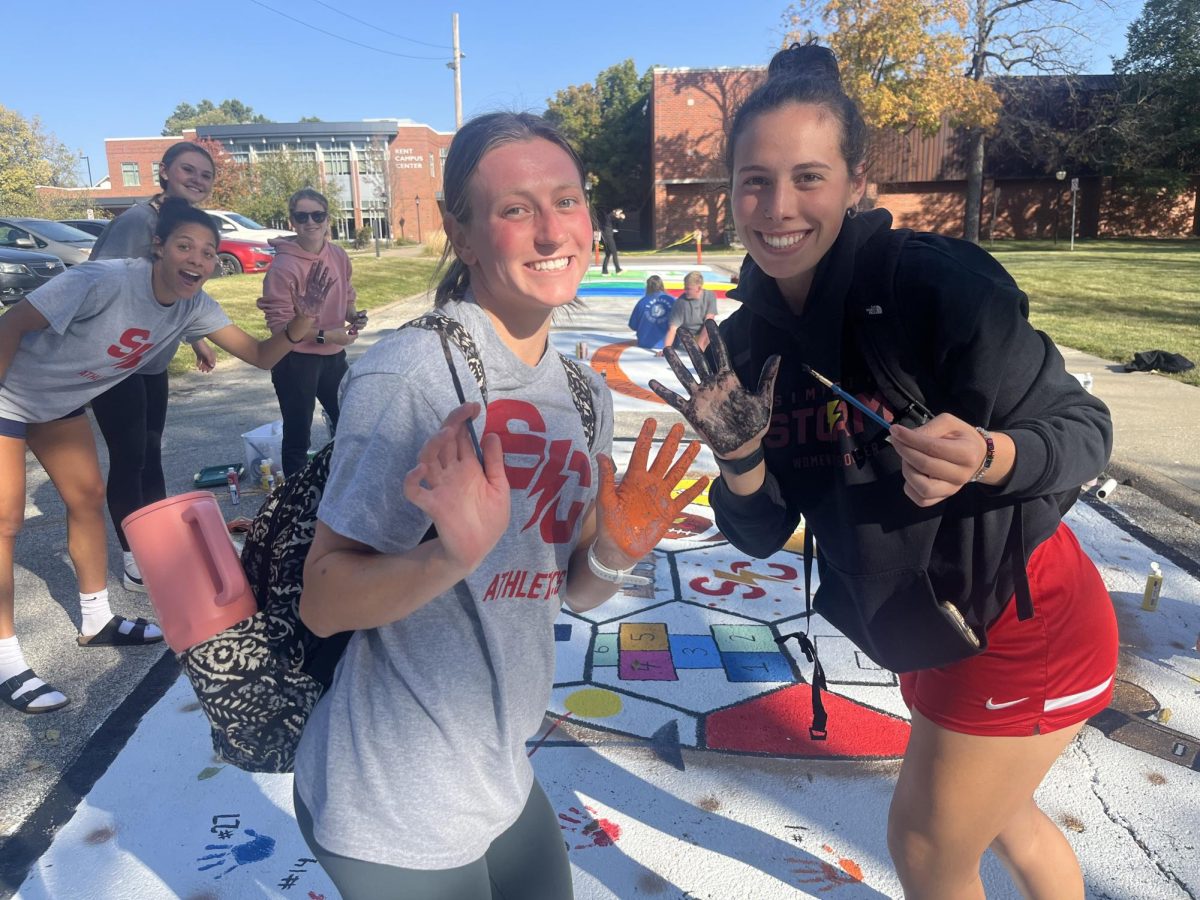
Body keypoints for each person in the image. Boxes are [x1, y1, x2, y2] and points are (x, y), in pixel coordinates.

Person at [650, 43, 1116, 900]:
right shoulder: (744, 340)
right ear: (730, 190)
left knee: (927, 844)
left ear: (857, 181)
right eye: (755, 180)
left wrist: (985, 455)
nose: (778, 207)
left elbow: (1087, 430)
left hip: (1020, 619)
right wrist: (742, 458)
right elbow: (757, 532)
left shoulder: (932, 287)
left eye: (808, 177)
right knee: (1003, 817)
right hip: (916, 622)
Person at [292, 111, 706, 900]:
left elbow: (571, 588)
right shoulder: (412, 375)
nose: (554, 232)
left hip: (499, 768)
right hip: (393, 792)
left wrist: (616, 548)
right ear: (464, 233)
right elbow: (322, 599)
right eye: (516, 209)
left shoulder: (583, 394)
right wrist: (449, 555)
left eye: (568, 200)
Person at [0, 198, 326, 713]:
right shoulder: (103, 281)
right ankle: (6, 661)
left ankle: (96, 621)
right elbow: (11, 324)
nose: (197, 259)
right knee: (6, 520)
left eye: (209, 252)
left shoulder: (195, 306)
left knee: (88, 499)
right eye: (184, 246)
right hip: (7, 392)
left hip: (58, 405)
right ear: (158, 247)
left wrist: (301, 322)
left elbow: (262, 355)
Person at [88, 140, 219, 593]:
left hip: (152, 362)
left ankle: (161, 544)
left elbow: (172, 290)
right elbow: (101, 285)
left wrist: (195, 336)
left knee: (152, 451)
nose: (197, 180)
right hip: (117, 362)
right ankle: (133, 559)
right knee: (130, 457)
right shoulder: (138, 222)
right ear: (164, 171)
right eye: (189, 170)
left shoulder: (184, 225)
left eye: (206, 175)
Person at [259, 189, 366, 477]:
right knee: (298, 434)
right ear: (291, 221)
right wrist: (329, 336)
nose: (310, 222)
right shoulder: (283, 266)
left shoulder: (338, 255)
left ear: (327, 218)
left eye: (317, 215)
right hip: (295, 360)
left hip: (334, 357)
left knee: (349, 421)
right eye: (301, 216)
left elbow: (347, 294)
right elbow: (280, 327)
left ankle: (344, 480)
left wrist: (353, 314)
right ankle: (293, 499)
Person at [659, 270, 717, 355]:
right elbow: (673, 329)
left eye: (688, 289)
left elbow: (709, 322)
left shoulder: (710, 296)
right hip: (688, 338)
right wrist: (666, 350)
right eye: (685, 288)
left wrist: (700, 346)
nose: (685, 291)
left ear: (699, 288)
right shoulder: (680, 303)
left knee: (715, 333)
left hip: (702, 336)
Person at [627, 274, 674, 350]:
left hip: (645, 343)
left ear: (648, 287)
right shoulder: (672, 300)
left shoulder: (642, 302)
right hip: (668, 343)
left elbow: (633, 325)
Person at [600, 207, 624, 274]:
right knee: (614, 253)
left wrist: (621, 218)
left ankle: (604, 271)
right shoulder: (610, 215)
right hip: (608, 236)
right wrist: (619, 216)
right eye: (619, 212)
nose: (619, 214)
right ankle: (618, 269)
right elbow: (615, 217)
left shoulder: (610, 216)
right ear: (614, 211)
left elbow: (618, 220)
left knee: (608, 254)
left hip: (607, 236)